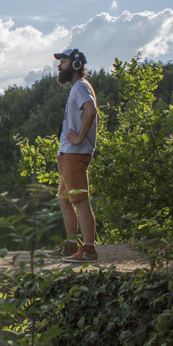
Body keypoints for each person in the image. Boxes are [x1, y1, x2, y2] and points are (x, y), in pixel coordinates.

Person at [49, 47, 99, 263]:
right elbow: (93, 116)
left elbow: (92, 111)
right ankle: (71, 246)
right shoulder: (78, 88)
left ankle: (89, 250)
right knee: (64, 199)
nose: (59, 66)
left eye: (63, 62)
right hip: (68, 154)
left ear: (76, 64)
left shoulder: (80, 86)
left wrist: (80, 139)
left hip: (74, 154)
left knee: (80, 201)